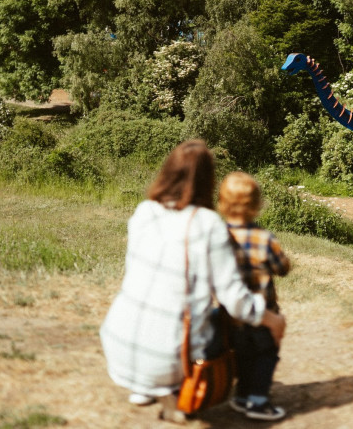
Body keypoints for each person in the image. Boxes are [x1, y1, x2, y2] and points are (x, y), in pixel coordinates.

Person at [99, 140, 285, 423]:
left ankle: (145, 388)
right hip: (167, 355)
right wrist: (271, 319)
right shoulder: (208, 224)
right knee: (225, 322)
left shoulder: (144, 211)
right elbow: (234, 300)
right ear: (207, 181)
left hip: (118, 341)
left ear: (167, 172)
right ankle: (176, 389)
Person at [218, 172, 290, 421]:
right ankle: (258, 402)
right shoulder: (263, 238)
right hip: (263, 312)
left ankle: (241, 395)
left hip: (232, 314)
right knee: (266, 355)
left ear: (222, 202)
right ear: (257, 204)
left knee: (241, 354)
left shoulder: (219, 237)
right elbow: (282, 267)